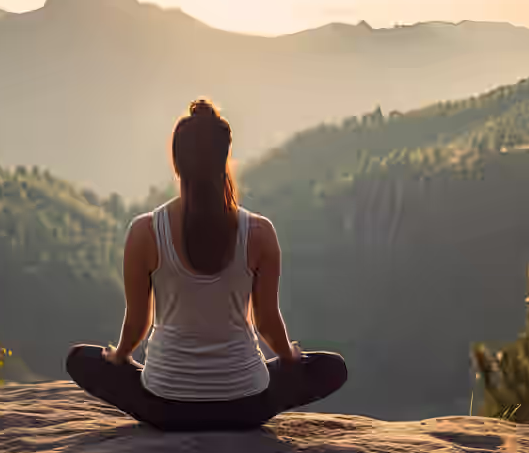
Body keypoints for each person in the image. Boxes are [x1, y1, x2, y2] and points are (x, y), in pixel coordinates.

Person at [65, 98, 347, 432]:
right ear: (224, 159)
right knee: (331, 367)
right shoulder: (259, 232)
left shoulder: (145, 231)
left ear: (177, 163)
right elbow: (268, 323)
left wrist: (118, 357)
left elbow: (138, 322)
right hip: (246, 406)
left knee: (80, 359)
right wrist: (291, 360)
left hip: (164, 407)